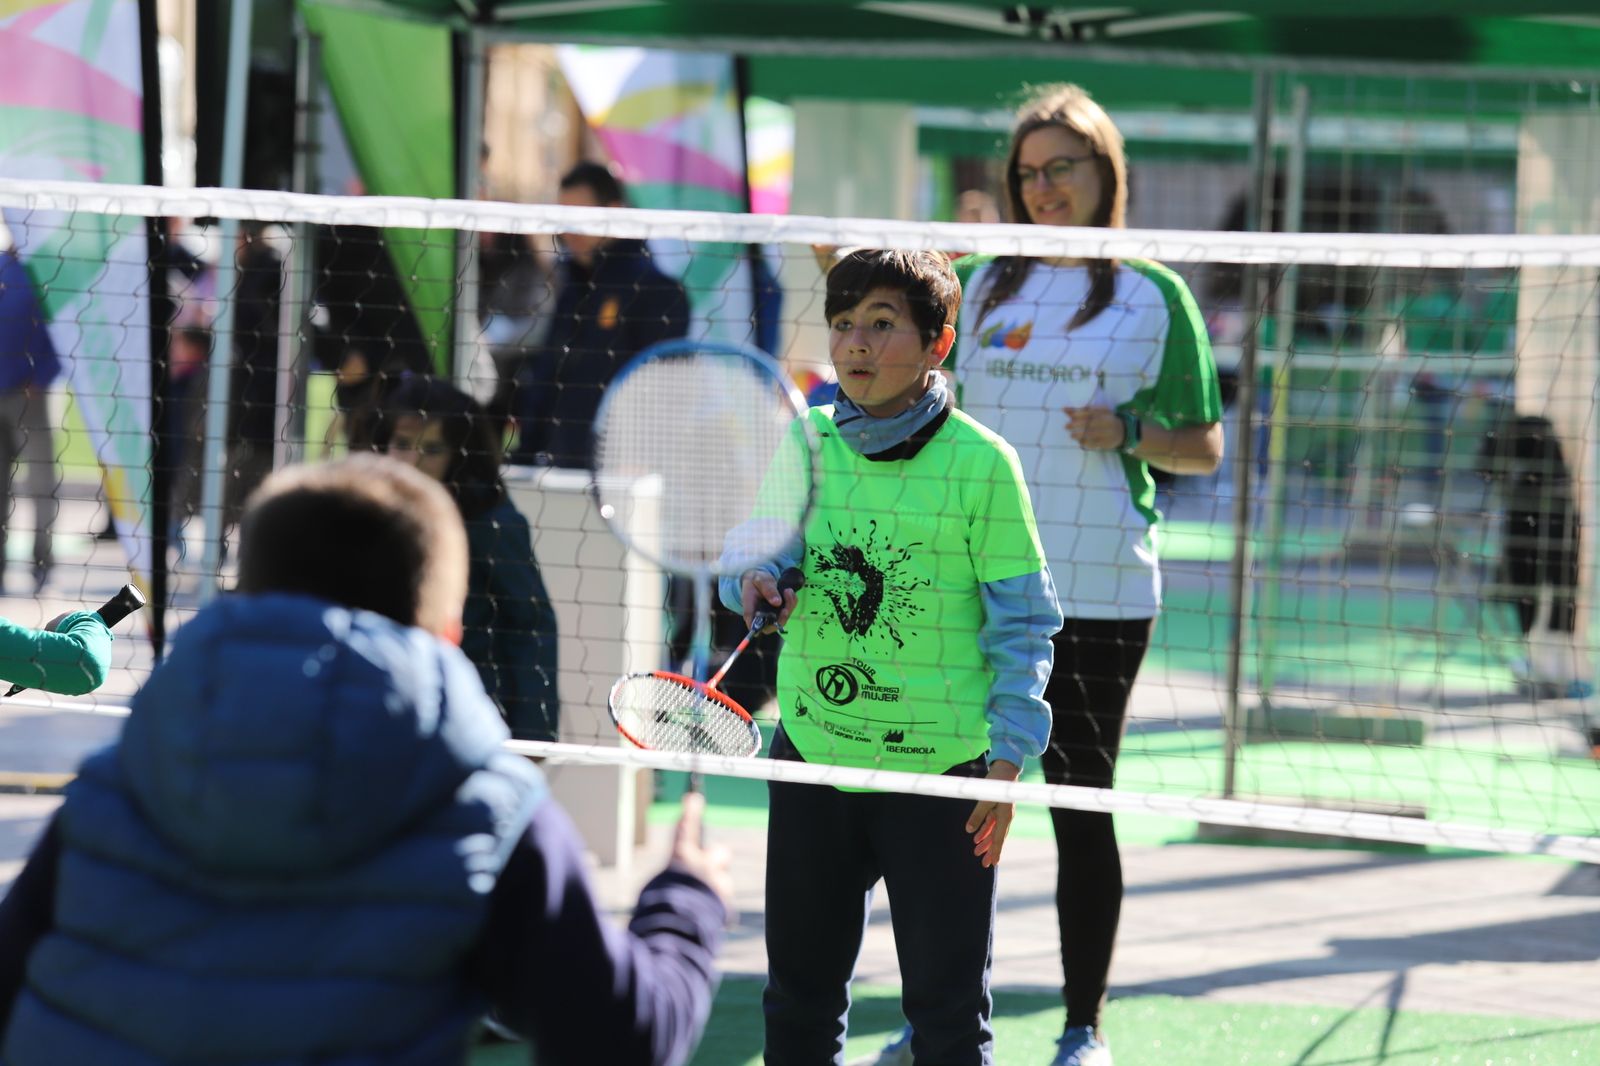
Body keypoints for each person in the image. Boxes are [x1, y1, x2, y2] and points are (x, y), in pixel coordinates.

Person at [0, 454, 730, 1065]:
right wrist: (688, 899)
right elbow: (622, 1039)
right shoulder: (486, 810)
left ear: (249, 588)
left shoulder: (121, 780)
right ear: (449, 630)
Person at [868, 85, 1223, 1066]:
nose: (1042, 186)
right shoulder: (975, 283)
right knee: (947, 814)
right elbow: (904, 388)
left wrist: (1129, 432)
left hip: (1101, 590)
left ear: (1106, 172)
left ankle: (1081, 1028)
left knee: (1080, 807)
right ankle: (935, 1022)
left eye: (1062, 166)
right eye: (1027, 171)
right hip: (969, 588)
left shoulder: (1154, 293)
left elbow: (1203, 446)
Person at [724, 248, 1061, 1066]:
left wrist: (1007, 762)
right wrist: (757, 580)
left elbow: (1023, 626)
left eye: (882, 324)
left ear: (939, 343)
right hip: (814, 758)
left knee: (948, 1021)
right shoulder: (807, 440)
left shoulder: (984, 464)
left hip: (940, 778)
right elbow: (765, 550)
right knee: (798, 1004)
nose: (856, 343)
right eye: (843, 324)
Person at [375, 375, 561, 742]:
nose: (413, 461)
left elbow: (531, 624)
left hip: (470, 716)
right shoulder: (363, 512)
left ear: (459, 455)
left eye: (432, 449)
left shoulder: (490, 521)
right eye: (402, 444)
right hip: (386, 710)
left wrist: (533, 733)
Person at [510, 161, 690, 469]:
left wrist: (640, 464)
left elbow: (666, 394)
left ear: (614, 212)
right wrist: (526, 452)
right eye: (564, 217)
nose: (569, 230)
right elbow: (547, 376)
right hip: (558, 470)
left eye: (580, 217)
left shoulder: (658, 292)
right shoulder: (572, 286)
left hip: (621, 473)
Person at [0, 248, 61, 594]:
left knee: (41, 484)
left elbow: (65, 330)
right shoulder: (2, 264)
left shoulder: (47, 267)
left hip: (32, 398)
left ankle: (42, 563)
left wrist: (41, 377)